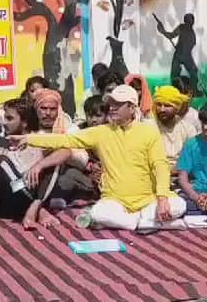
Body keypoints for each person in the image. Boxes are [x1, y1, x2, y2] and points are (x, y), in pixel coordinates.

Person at [11, 84, 187, 231]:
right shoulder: (102, 132)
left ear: (132, 108)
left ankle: (142, 221)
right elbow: (67, 139)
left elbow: (160, 165)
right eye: (110, 103)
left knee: (179, 204)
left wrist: (162, 199)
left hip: (148, 200)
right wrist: (28, 138)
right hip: (116, 201)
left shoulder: (148, 131)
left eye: (118, 104)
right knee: (97, 213)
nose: (112, 108)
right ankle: (147, 223)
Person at [0, 98, 71, 229]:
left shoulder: (37, 138)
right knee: (1, 162)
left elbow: (66, 151)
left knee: (54, 162)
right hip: (8, 200)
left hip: (33, 191)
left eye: (9, 119)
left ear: (24, 123)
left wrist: (39, 165)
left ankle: (35, 206)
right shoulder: (0, 140)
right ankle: (38, 209)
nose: (4, 123)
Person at [147, 85, 198, 169]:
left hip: (182, 173)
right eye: (159, 105)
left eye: (167, 105)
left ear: (177, 108)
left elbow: (193, 157)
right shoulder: (148, 127)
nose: (162, 109)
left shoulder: (188, 128)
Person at [154, 13, 200, 95]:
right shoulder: (183, 28)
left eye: (190, 20)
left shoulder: (191, 33)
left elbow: (171, 36)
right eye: (189, 20)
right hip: (181, 55)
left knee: (193, 72)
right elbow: (171, 35)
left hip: (184, 55)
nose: (190, 22)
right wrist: (163, 31)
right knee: (176, 74)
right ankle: (180, 90)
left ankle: (194, 90)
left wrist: (163, 32)